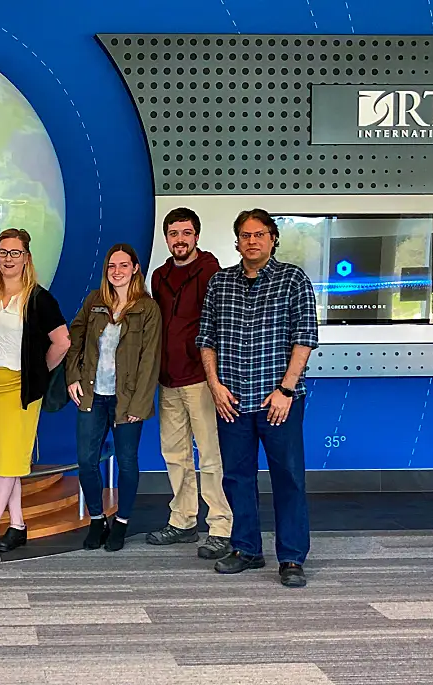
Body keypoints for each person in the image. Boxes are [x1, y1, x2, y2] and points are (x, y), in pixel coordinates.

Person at [197, 208, 318, 588]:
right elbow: (206, 339)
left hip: (277, 402)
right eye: (246, 235)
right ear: (237, 241)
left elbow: (306, 337)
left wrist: (285, 389)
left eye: (260, 234)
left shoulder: (292, 280)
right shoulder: (220, 283)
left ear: (272, 239)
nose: (252, 241)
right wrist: (215, 386)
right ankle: (246, 548)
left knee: (288, 480)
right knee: (236, 478)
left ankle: (292, 559)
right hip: (231, 401)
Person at [0, 229, 70, 556]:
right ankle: (17, 525)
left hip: (20, 391)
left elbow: (63, 342)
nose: (8, 259)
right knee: (7, 462)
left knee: (6, 463)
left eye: (15, 252)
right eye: (3, 252)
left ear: (26, 257)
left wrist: (38, 371)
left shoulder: (39, 298)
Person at [146, 208, 233, 560]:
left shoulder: (211, 271)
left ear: (196, 236)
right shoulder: (159, 276)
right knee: (175, 455)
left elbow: (218, 327)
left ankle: (221, 526)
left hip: (200, 379)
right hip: (168, 379)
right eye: (173, 233)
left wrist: (216, 378)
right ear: (166, 238)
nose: (179, 239)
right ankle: (182, 520)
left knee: (210, 456)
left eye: (186, 233)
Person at [66, 244, 162, 552]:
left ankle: (121, 522)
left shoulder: (147, 308)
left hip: (127, 402)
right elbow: (75, 338)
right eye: (111, 266)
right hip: (94, 396)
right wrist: (73, 377)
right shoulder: (95, 301)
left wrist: (139, 405)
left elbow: (150, 360)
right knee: (86, 461)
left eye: (123, 265)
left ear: (135, 268)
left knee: (127, 462)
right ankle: (97, 519)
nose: (116, 271)